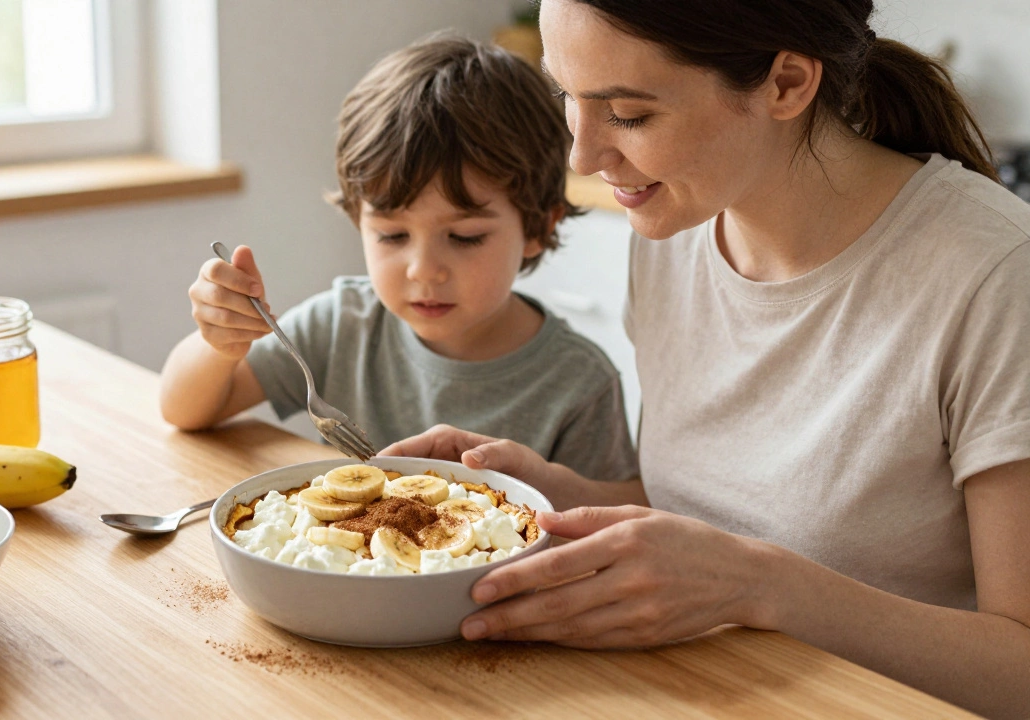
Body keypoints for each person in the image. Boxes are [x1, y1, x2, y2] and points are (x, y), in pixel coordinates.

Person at [380, 1, 1030, 717]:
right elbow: (715, 517)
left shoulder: (997, 278)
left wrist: (768, 588)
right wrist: (562, 494)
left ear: (786, 84)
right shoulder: (674, 230)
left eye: (627, 114)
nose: (582, 157)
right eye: (567, 97)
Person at [159, 36, 639, 482]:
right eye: (391, 235)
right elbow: (184, 409)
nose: (423, 270)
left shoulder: (579, 384)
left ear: (538, 228)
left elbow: (618, 519)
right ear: (358, 222)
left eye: (465, 236)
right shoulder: (341, 325)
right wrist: (219, 345)